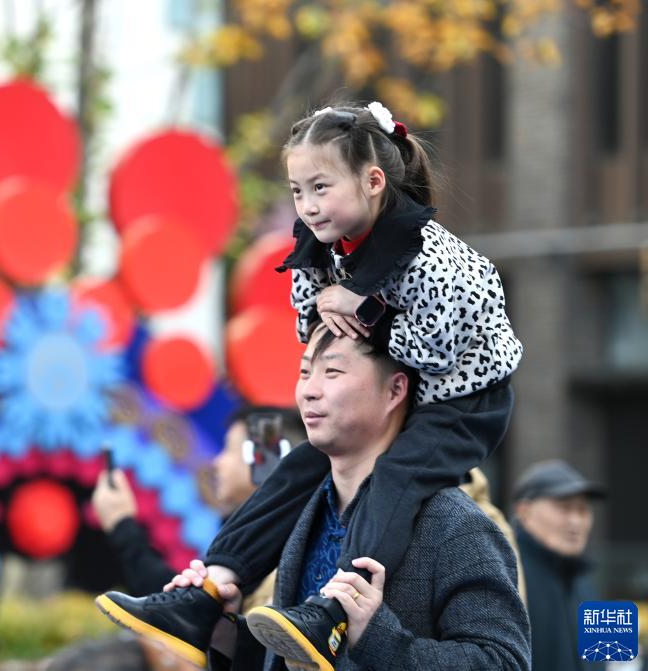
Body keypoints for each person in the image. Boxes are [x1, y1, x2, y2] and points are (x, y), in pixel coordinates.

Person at [96, 100, 523, 669]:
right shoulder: (319, 249)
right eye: (298, 191)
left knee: (396, 475)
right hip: (405, 379)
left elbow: (431, 349)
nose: (308, 205)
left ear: (374, 182)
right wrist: (227, 626)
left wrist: (364, 307)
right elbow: (319, 328)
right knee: (296, 464)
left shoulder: (435, 259)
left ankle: (338, 610)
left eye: (321, 187)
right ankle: (207, 593)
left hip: (466, 395)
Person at [109, 323, 530, 669]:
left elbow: (505, 662)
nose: (309, 390)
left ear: (395, 391)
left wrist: (377, 637)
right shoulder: (301, 517)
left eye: (332, 373)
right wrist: (228, 635)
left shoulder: (455, 524)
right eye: (305, 372)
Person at [91, 406, 304, 598]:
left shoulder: (274, 544)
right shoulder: (260, 532)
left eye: (229, 449)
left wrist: (121, 523)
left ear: (265, 462)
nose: (217, 462)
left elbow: (178, 607)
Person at [513, 460, 604, 671]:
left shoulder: (586, 578)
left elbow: (609, 659)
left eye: (583, 510)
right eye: (564, 508)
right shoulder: (507, 575)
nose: (576, 521)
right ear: (524, 512)